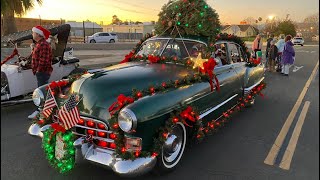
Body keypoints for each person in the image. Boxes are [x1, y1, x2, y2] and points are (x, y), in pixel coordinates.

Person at [28, 25, 53, 119]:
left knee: (41, 93)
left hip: (42, 72)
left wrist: (38, 70)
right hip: (40, 72)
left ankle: (41, 112)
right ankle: (43, 110)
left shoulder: (43, 44)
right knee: (42, 91)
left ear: (38, 34)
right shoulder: (39, 44)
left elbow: (44, 60)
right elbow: (36, 56)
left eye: (33, 33)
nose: (32, 34)